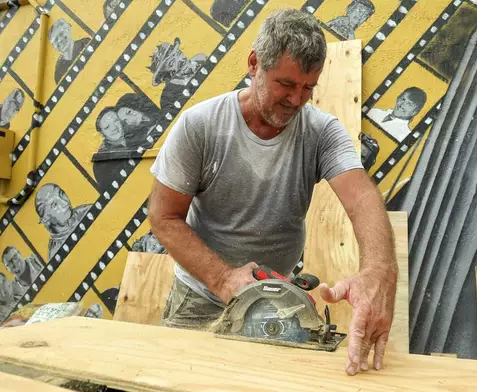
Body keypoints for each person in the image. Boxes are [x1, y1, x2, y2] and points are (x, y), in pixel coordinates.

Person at [148, 8, 397, 376]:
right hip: (199, 297)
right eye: (286, 84)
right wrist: (223, 278)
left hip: (275, 306)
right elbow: (163, 218)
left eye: (308, 88)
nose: (297, 100)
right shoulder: (199, 127)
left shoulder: (321, 133)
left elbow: (362, 198)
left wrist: (378, 271)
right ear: (254, 64)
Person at [147, 38, 206, 115]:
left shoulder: (200, 60)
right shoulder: (167, 98)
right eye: (171, 62)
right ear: (165, 75)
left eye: (177, 53)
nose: (179, 59)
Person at [34, 183, 92, 260]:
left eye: (62, 194)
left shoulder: (87, 211)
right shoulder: (56, 254)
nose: (65, 202)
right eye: (54, 204)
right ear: (45, 219)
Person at [48, 19, 91, 84]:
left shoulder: (86, 43)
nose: (60, 40)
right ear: (54, 46)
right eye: (55, 40)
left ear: (68, 29)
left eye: (61, 34)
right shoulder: (59, 71)